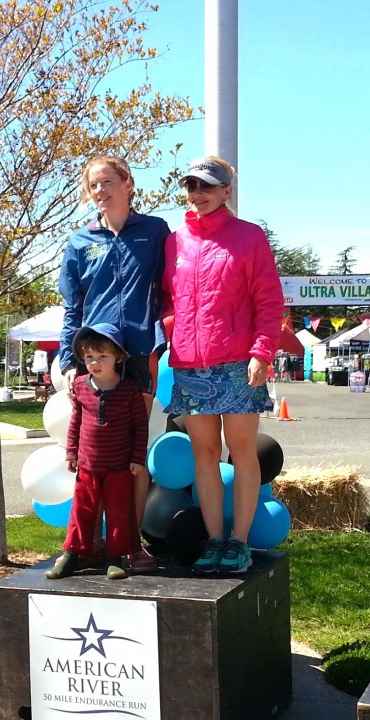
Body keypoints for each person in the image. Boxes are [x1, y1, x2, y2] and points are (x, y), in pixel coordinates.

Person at [162, 156, 284, 575]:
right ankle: (215, 541)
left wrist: (261, 352)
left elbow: (269, 301)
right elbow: (166, 299)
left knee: (242, 451)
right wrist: (170, 331)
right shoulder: (176, 241)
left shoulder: (249, 237)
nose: (198, 195)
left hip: (237, 362)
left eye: (207, 187)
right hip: (190, 365)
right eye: (192, 187)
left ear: (226, 191)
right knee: (205, 454)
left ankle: (241, 541)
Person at [58, 155, 169, 573]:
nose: (100, 191)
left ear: (128, 184)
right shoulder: (80, 242)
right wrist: (71, 359)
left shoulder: (155, 231)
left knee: (132, 450)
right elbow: (73, 306)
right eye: (92, 185)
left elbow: (174, 286)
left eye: (107, 182)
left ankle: (129, 544)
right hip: (95, 354)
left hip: (139, 351)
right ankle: (87, 543)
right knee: (93, 453)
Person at [46, 324, 148, 580]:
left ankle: (115, 558)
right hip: (87, 466)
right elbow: (76, 422)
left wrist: (137, 458)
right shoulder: (80, 386)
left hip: (120, 467)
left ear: (118, 357)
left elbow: (140, 426)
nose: (95, 362)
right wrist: (72, 453)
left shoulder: (129, 389)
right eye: (90, 357)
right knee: (81, 511)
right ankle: (72, 554)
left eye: (103, 356)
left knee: (119, 513)